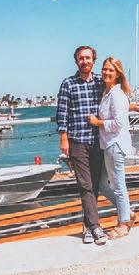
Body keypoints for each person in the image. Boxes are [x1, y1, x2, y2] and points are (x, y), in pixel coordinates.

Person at [56, 45, 108, 244]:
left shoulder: (101, 82)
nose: (85, 61)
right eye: (81, 58)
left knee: (94, 184)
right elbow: (62, 112)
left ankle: (88, 227)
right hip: (77, 141)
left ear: (93, 60)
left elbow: (115, 101)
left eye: (88, 58)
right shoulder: (68, 83)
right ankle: (95, 227)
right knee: (85, 184)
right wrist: (63, 138)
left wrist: (135, 107)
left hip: (98, 140)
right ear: (76, 61)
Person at [87, 57, 133, 239]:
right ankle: (127, 212)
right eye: (104, 69)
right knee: (101, 185)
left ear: (118, 74)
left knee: (119, 185)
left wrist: (97, 122)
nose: (106, 72)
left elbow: (119, 122)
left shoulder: (116, 94)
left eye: (111, 70)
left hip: (115, 145)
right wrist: (136, 107)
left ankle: (123, 224)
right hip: (107, 145)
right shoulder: (108, 92)